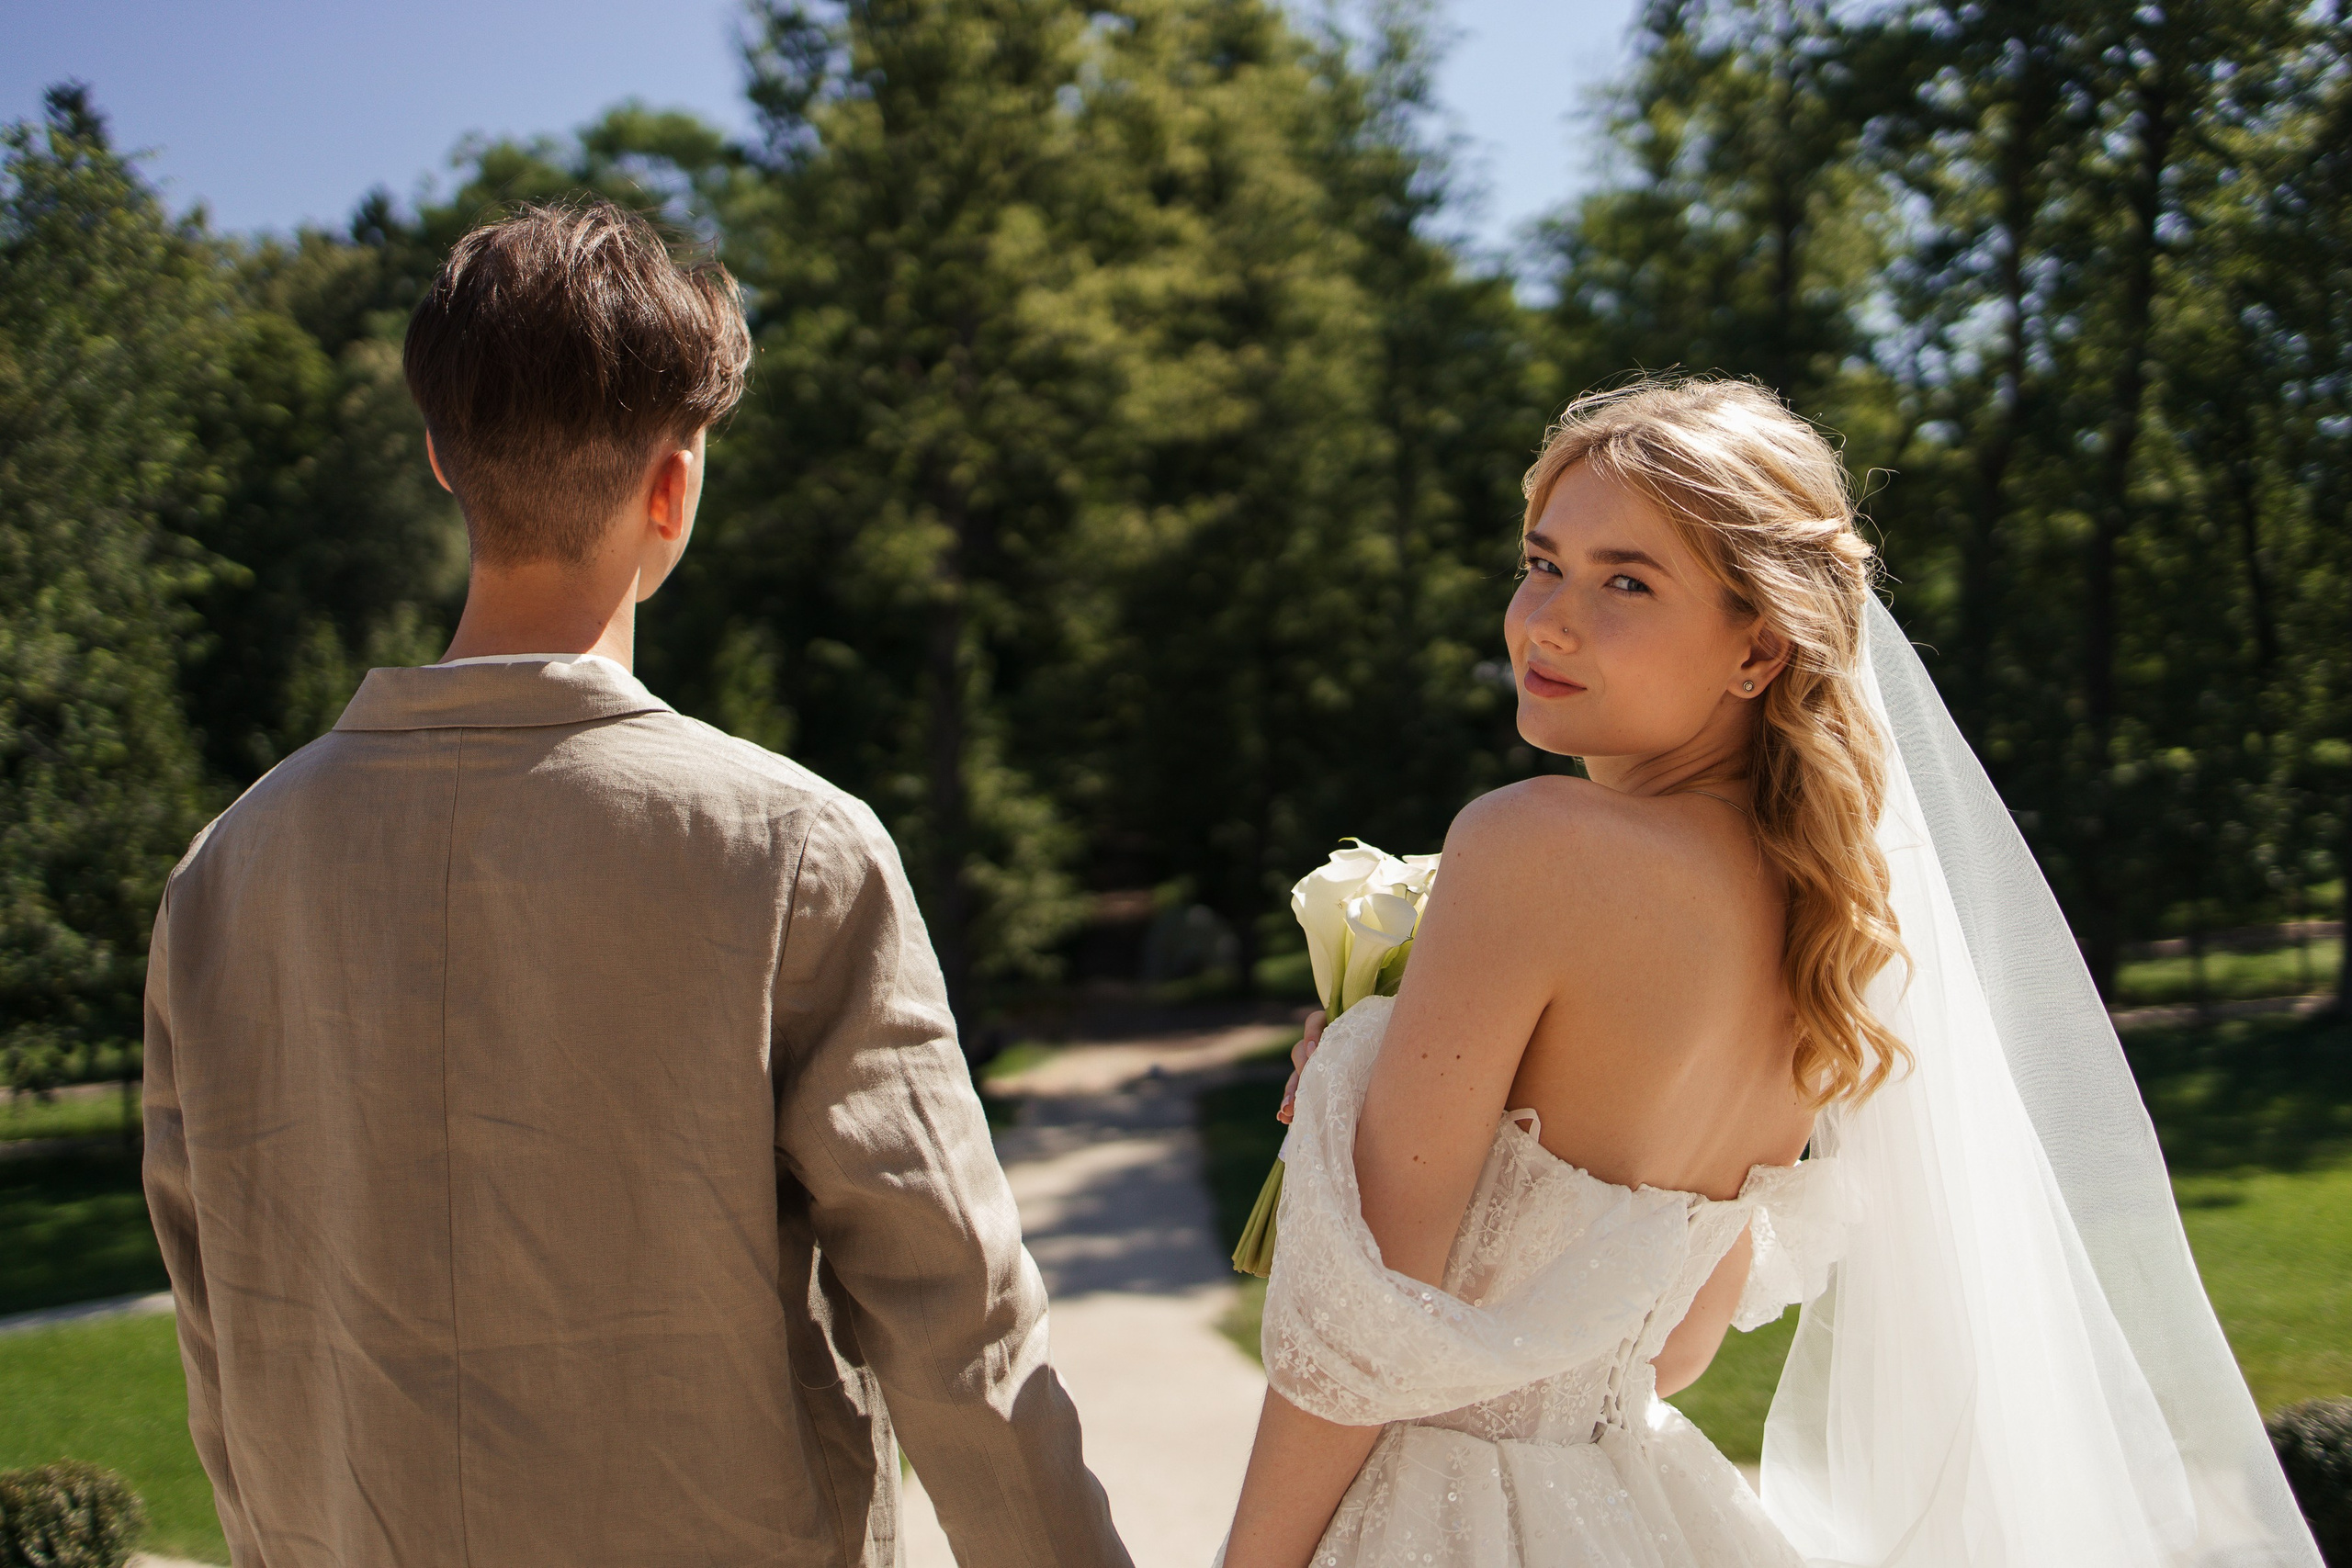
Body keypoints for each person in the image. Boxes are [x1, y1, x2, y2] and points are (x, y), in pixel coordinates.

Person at [141, 199, 1130, 1568]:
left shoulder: (221, 875)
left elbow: (219, 1324)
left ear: (441, 456)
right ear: (674, 486)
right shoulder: (792, 848)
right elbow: (957, 1324)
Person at [1218, 377, 2322, 1567]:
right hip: (1630, 1508)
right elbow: (1672, 1346)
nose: (1546, 619)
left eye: (1626, 581)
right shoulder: (1828, 924)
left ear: (1760, 645)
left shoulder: (1533, 846)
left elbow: (1359, 1334)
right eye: (1543, 563)